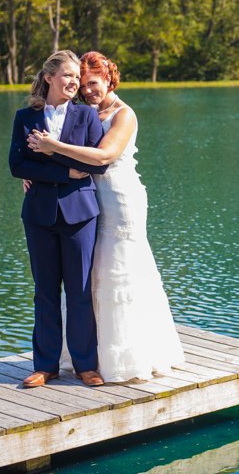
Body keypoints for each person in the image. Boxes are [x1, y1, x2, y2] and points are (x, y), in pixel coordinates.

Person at [27, 52, 185, 382]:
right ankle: (89, 355)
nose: (87, 91)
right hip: (85, 200)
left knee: (120, 270)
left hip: (120, 198)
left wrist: (52, 147)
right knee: (91, 276)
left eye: (94, 84)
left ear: (110, 80)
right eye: (83, 85)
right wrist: (38, 173)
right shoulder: (81, 113)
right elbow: (39, 155)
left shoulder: (123, 114)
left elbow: (105, 156)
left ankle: (131, 356)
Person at [8, 50, 107, 388]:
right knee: (45, 292)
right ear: (49, 77)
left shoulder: (86, 116)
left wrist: (50, 155)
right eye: (67, 76)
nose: (74, 83)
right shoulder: (25, 117)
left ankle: (85, 365)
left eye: (77, 78)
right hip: (38, 214)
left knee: (79, 291)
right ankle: (45, 366)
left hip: (80, 215)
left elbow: (97, 165)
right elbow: (17, 166)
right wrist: (67, 170)